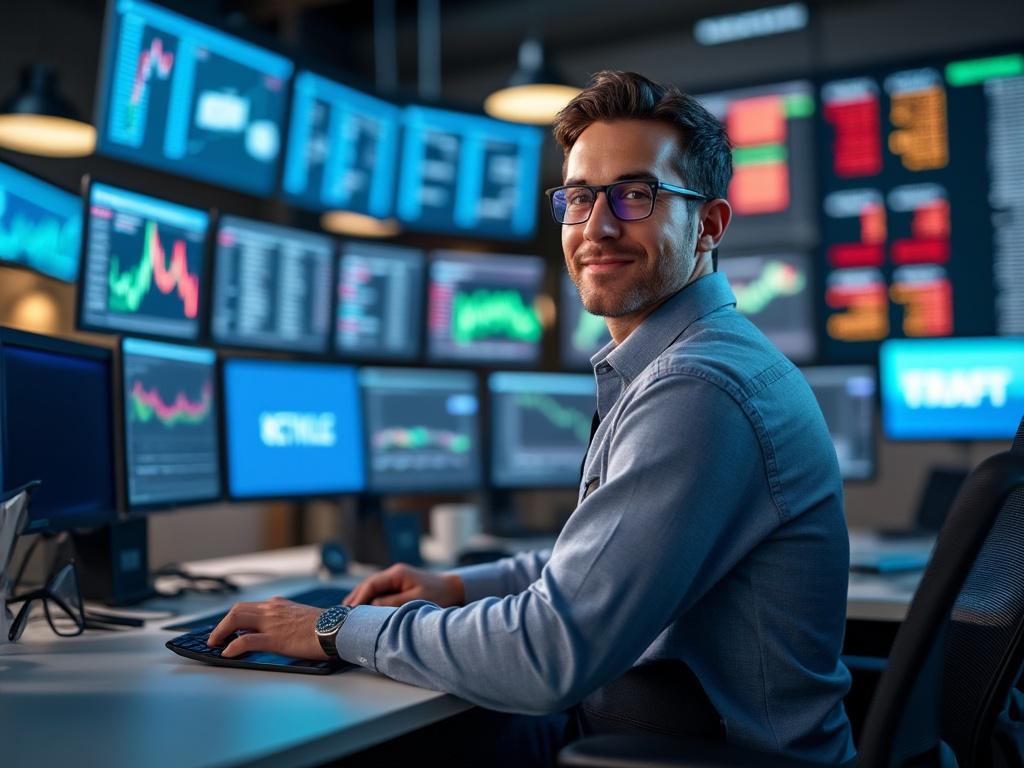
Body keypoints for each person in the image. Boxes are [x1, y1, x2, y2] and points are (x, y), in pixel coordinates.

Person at [209, 70, 856, 765]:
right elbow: (605, 568)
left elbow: (550, 653)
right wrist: (457, 586)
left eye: (635, 196)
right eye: (580, 199)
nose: (598, 227)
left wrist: (336, 626)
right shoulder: (690, 360)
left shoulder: (697, 388)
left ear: (708, 224)